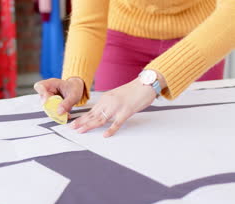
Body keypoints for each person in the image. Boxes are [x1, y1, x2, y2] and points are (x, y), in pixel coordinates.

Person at [34, 0, 235, 137]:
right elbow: (88, 21)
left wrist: (152, 80)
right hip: (121, 40)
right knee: (113, 133)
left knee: (199, 133)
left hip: (202, 38)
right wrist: (75, 79)